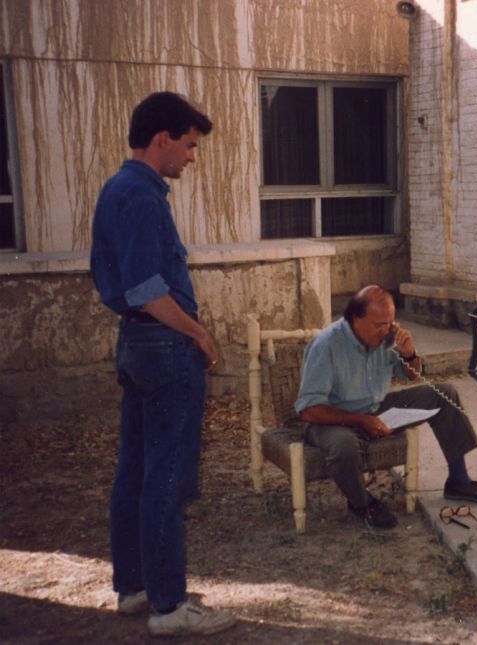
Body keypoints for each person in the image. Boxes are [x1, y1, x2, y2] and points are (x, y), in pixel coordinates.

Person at [90, 92, 236, 637]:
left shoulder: (116, 189)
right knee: (166, 479)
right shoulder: (143, 195)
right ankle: (170, 608)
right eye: (190, 145)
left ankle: (135, 589)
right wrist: (197, 333)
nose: (191, 157)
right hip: (163, 346)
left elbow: (116, 280)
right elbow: (149, 288)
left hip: (135, 343)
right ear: (162, 139)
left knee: (134, 471)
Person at [296, 284, 477, 529]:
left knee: (444, 393)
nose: (386, 331)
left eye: (390, 323)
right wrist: (361, 420)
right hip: (331, 419)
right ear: (355, 319)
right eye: (379, 325)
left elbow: (411, 375)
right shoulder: (326, 344)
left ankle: (459, 481)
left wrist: (409, 354)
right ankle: (362, 503)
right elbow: (308, 409)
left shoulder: (384, 338)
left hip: (376, 407)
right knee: (343, 445)